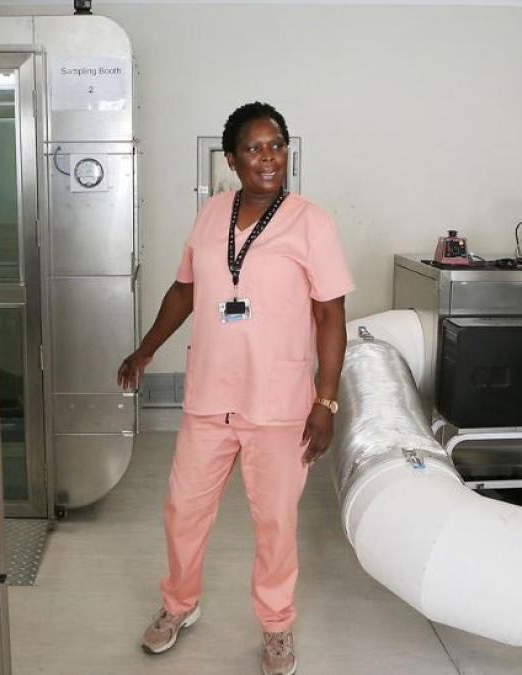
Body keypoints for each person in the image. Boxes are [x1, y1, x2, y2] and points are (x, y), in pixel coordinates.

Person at [117, 101, 353, 675]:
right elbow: (184, 290)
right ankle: (179, 604)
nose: (268, 158)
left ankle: (276, 627)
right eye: (254, 148)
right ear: (231, 159)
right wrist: (146, 349)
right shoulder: (211, 214)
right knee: (183, 511)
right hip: (209, 396)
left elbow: (331, 315)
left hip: (278, 404)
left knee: (275, 524)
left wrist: (325, 401)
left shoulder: (311, 222)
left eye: (277, 146)